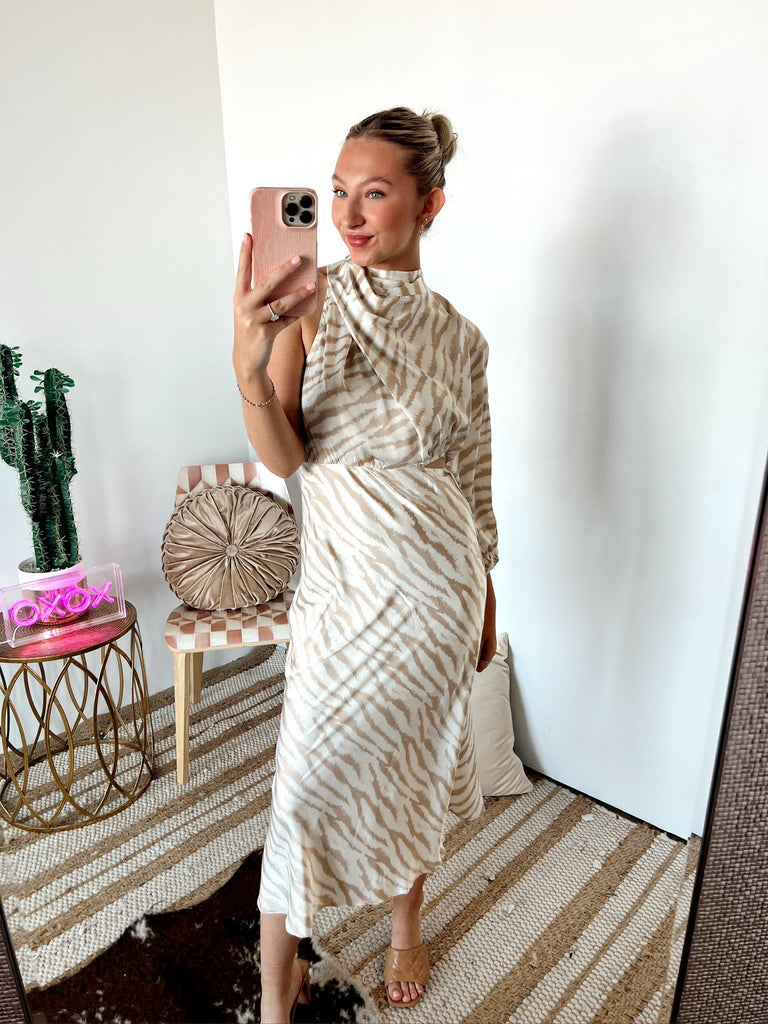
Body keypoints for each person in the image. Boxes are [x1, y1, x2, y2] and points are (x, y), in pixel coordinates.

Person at [232, 106, 499, 1024]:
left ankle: (403, 926)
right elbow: (286, 457)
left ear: (430, 205)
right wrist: (249, 369)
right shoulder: (310, 302)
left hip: (439, 585)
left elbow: (474, 476)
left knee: (414, 760)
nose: (347, 213)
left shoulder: (463, 339)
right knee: (303, 789)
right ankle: (278, 994)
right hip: (345, 586)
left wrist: (487, 597)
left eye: (373, 193)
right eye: (337, 191)